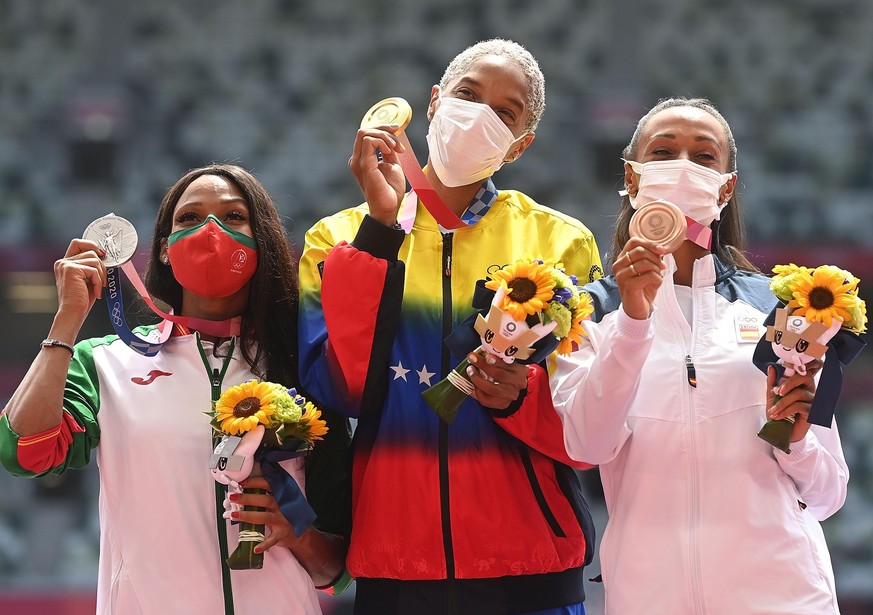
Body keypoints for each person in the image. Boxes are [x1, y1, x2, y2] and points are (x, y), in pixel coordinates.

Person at [298, 39, 603, 615]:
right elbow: (339, 391)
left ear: (520, 145)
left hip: (531, 569)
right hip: (394, 566)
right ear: (434, 102)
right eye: (468, 95)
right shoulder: (336, 238)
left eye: (506, 112)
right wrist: (381, 234)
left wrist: (520, 399)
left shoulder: (562, 241)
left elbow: (590, 423)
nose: (481, 115)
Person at [0, 164, 351, 614]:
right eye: (188, 218)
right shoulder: (107, 361)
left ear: (260, 241)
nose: (210, 229)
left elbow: (335, 570)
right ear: (164, 250)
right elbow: (25, 450)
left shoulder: (307, 367)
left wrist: (296, 530)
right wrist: (67, 319)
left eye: (233, 217)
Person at [551, 98, 847, 614]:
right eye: (664, 151)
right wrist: (635, 323)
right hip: (649, 599)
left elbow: (826, 495)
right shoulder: (585, 315)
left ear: (726, 185)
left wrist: (797, 441)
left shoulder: (785, 311)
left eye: (703, 156)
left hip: (784, 597)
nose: (683, 166)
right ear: (633, 175)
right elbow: (589, 443)